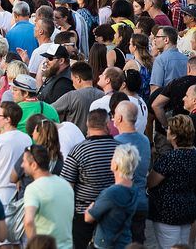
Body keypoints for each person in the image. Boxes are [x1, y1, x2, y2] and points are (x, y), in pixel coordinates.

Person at [61, 109, 120, 249]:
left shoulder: (78, 150)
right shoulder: (120, 149)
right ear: (107, 124)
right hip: (113, 211)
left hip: (83, 212)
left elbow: (66, 185)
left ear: (88, 124)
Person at [148, 115, 196, 249]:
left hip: (167, 212)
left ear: (174, 135)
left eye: (169, 129)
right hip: (188, 209)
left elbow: (151, 182)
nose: (166, 131)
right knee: (184, 245)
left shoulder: (169, 158)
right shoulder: (194, 155)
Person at [84, 144, 140, 249]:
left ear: (116, 165)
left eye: (113, 158)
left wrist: (91, 207)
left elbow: (88, 217)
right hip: (125, 241)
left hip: (105, 243)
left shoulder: (110, 193)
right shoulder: (134, 189)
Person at [23, 144, 74, 249]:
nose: (22, 165)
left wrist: (34, 245)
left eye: (24, 161)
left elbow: (28, 221)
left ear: (34, 165)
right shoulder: (65, 185)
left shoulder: (33, 189)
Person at [113, 102, 151, 245]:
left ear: (120, 118)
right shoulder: (145, 140)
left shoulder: (116, 143)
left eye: (115, 114)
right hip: (140, 200)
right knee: (137, 243)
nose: (113, 118)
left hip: (123, 202)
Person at [53, 61, 104, 135]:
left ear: (78, 79)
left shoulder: (71, 96)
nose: (72, 84)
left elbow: (48, 109)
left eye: (72, 80)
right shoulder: (103, 95)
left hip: (74, 141)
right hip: (97, 141)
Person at [150, 26, 188, 93]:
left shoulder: (160, 60)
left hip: (165, 101)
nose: (155, 40)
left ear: (166, 40)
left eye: (157, 37)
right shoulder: (186, 59)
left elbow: (155, 88)